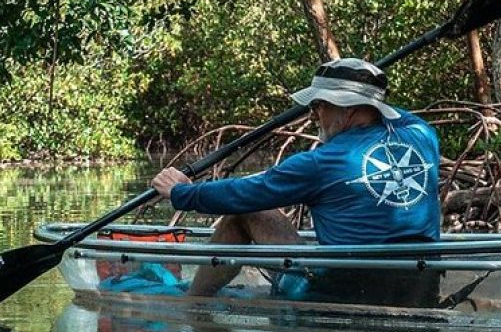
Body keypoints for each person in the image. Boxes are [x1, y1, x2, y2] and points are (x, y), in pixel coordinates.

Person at [152, 58, 441, 305]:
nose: (314, 114)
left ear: (348, 108)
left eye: (318, 106)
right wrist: (370, 97)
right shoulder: (422, 136)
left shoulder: (321, 162)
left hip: (344, 294)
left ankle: (194, 303)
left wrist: (181, 192)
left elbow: (243, 193)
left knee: (243, 213)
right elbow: (395, 116)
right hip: (420, 289)